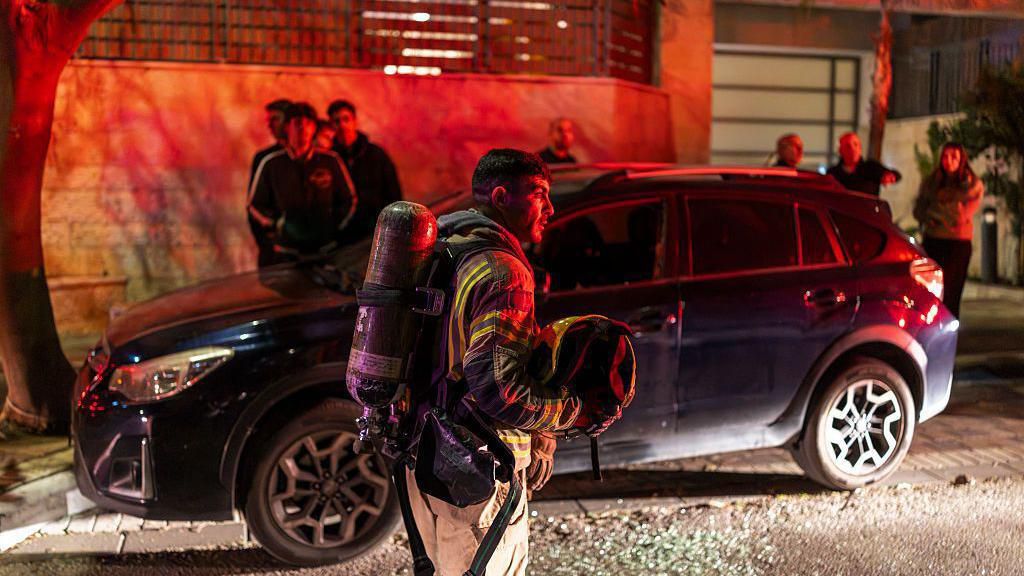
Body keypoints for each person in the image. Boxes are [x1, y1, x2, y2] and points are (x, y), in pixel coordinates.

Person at [406, 149, 578, 575]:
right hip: (477, 471)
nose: (550, 208)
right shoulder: (504, 273)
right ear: (501, 197)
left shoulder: (445, 249)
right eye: (538, 194)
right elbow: (499, 390)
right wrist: (567, 413)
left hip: (423, 456)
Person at [248, 102, 357, 265]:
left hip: (326, 250)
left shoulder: (330, 161)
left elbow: (349, 200)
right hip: (286, 253)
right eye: (298, 123)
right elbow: (255, 204)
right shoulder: (272, 164)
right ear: (287, 127)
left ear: (314, 128)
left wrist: (333, 225)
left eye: (308, 123)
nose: (303, 128)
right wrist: (278, 224)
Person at [913, 142, 983, 318]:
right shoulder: (931, 182)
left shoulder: (971, 185)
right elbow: (919, 209)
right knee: (931, 291)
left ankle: (949, 329)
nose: (949, 161)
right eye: (945, 156)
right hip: (933, 240)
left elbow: (960, 215)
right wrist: (933, 214)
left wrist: (935, 212)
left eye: (954, 157)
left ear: (962, 160)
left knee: (952, 293)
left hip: (957, 244)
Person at [327, 99, 402, 241]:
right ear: (331, 125)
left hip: (376, 231)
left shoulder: (376, 155)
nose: (342, 125)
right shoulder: (329, 159)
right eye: (337, 121)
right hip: (343, 235)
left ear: (354, 121)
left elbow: (393, 194)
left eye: (346, 119)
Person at [248, 98, 292, 267]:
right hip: (274, 250)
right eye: (269, 120)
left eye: (275, 119)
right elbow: (254, 206)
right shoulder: (265, 158)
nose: (270, 125)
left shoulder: (320, 157)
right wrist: (268, 241)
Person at [827, 132, 901, 196]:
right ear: (840, 150)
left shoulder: (871, 167)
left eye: (855, 144)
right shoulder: (832, 173)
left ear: (860, 148)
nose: (852, 149)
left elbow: (896, 175)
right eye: (847, 146)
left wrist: (889, 176)